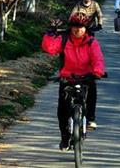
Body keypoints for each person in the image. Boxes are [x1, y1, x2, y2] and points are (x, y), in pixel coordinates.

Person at [41, 13, 105, 151]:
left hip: (87, 76)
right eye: (75, 27)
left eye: (81, 27)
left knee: (91, 91)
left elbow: (97, 58)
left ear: (86, 28)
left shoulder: (91, 42)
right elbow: (50, 48)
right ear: (70, 27)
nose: (78, 30)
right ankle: (65, 137)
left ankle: (90, 119)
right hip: (67, 77)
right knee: (62, 110)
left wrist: (98, 71)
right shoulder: (64, 39)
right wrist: (50, 33)